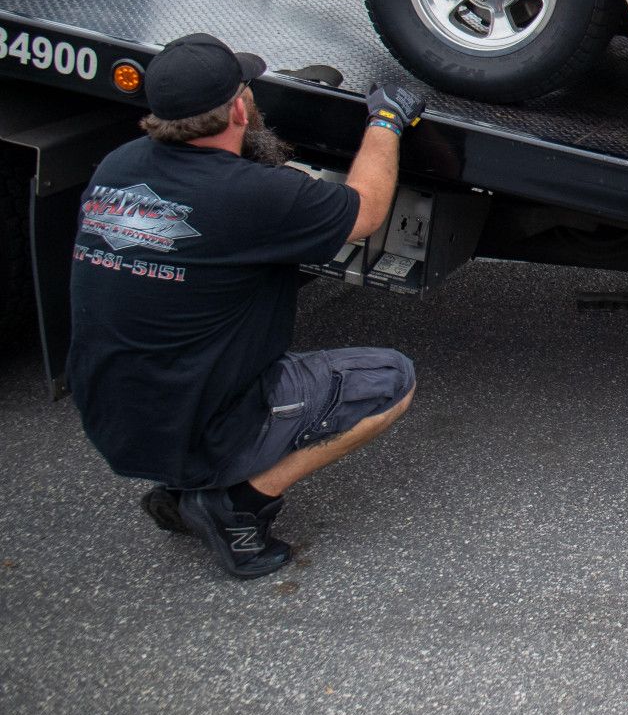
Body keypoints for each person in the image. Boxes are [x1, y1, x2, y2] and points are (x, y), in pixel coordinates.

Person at [66, 33, 427, 579]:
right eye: (248, 90)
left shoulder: (118, 166)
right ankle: (237, 502)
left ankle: (184, 483)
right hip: (195, 421)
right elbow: (367, 211)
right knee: (390, 380)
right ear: (238, 107)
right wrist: (386, 121)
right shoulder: (255, 195)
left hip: (111, 416)